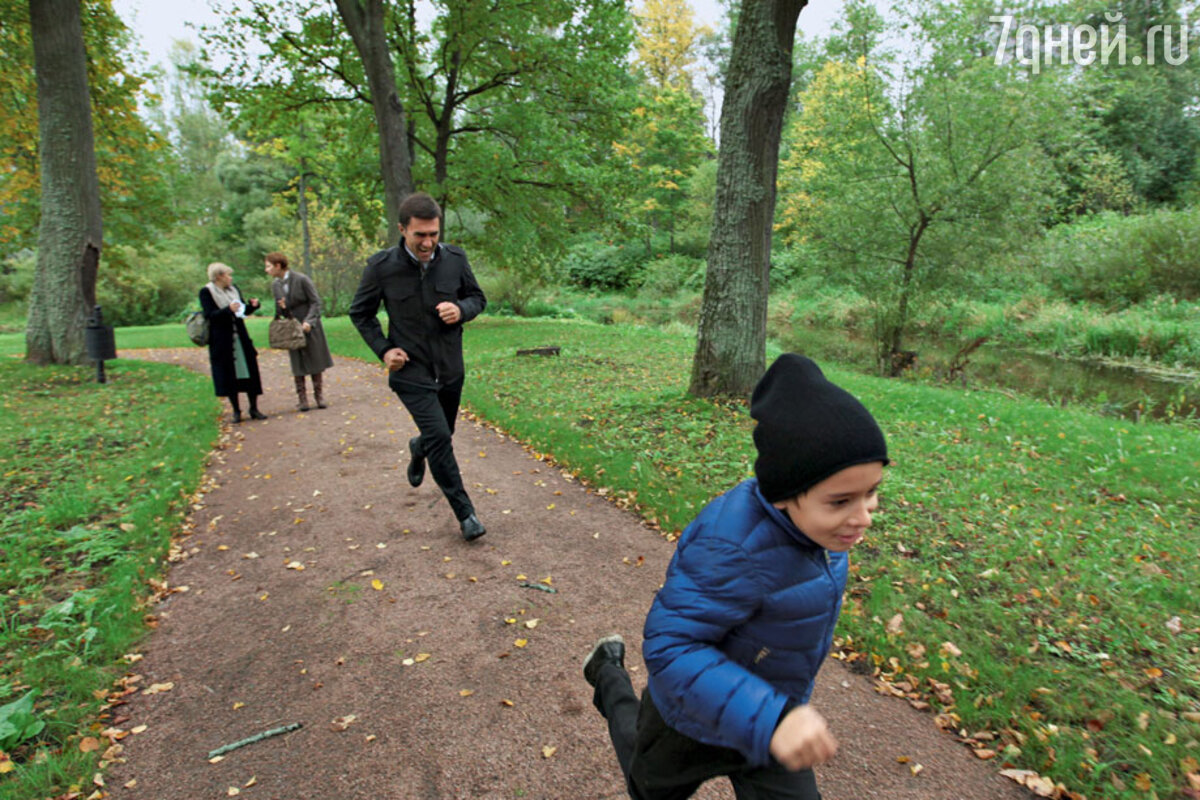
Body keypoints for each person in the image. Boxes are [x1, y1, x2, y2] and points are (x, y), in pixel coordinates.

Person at [583, 353, 889, 800]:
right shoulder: (729, 546)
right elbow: (671, 647)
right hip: (688, 725)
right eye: (841, 501)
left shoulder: (826, 537)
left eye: (872, 493)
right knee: (645, 786)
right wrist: (772, 717)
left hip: (768, 726)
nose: (863, 517)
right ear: (785, 495)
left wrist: (775, 719)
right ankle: (607, 674)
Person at [347, 192, 488, 542]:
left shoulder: (455, 259)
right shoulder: (381, 267)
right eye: (419, 235)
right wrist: (384, 350)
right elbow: (360, 313)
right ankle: (466, 514)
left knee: (441, 434)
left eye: (434, 234)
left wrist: (462, 310)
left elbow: (477, 297)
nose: (428, 243)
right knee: (441, 437)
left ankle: (419, 447)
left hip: (450, 368)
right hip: (410, 371)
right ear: (402, 230)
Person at [264, 251, 335, 411]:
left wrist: (309, 321)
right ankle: (302, 399)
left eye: (268, 266)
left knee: (315, 359)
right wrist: (282, 308)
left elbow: (315, 302)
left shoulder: (301, 279)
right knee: (297, 361)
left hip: (309, 325)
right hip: (292, 327)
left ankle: (319, 396)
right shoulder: (276, 285)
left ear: (278, 265)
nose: (266, 270)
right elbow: (280, 310)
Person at [200, 262, 266, 424]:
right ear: (219, 277)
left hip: (240, 337)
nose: (231, 278)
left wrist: (252, 307)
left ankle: (254, 408)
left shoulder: (234, 290)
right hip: (222, 340)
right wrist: (228, 310)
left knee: (250, 371)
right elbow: (210, 315)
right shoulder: (206, 292)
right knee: (228, 373)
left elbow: (241, 311)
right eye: (228, 275)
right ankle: (236, 411)